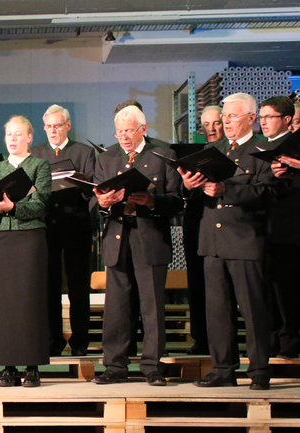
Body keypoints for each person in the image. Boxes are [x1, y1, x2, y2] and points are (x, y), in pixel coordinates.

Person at [181, 93, 280, 390]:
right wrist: (189, 186)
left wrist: (228, 191)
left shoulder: (263, 150)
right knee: (217, 310)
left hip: (245, 240)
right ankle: (223, 369)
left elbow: (268, 194)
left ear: (252, 118)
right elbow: (196, 195)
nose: (227, 122)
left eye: (233, 117)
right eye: (225, 117)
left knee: (252, 309)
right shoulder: (213, 149)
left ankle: (259, 370)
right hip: (212, 242)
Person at [91, 106, 182, 386]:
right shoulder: (107, 158)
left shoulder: (163, 154)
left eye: (128, 131)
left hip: (150, 237)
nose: (124, 137)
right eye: (119, 132)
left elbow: (177, 201)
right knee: (117, 307)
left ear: (143, 129)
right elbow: (93, 202)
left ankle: (152, 366)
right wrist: (103, 204)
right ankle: (115, 366)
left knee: (152, 305)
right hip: (117, 238)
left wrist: (153, 201)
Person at [0, 116, 51, 388]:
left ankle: (32, 366)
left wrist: (13, 208)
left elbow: (41, 203)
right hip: (0, 240)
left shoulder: (39, 166)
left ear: (29, 137)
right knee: (3, 304)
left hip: (30, 239)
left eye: (18, 134)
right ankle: (7, 366)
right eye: (9, 134)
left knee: (29, 301)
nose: (12, 138)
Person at [30, 105, 95, 358]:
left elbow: (93, 189)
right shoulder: (35, 153)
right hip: (47, 227)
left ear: (68, 125)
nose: (53, 130)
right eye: (48, 126)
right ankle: (53, 339)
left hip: (77, 225)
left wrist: (79, 181)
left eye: (57, 125)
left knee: (79, 286)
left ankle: (80, 341)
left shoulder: (83, 152)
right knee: (49, 285)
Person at [258, 96, 300, 359]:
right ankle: (271, 339)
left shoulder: (296, 144)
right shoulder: (259, 146)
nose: (264, 122)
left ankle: (290, 340)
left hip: (289, 228)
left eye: (269, 117)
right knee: (266, 290)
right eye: (261, 117)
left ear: (286, 120)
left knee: (288, 289)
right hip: (261, 227)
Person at [184, 105, 225, 356]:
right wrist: (187, 185)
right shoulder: (198, 155)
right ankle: (201, 338)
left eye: (216, 123)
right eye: (206, 125)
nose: (211, 129)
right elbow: (185, 193)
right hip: (197, 221)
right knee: (197, 281)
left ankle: (224, 342)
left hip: (226, 223)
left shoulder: (233, 153)